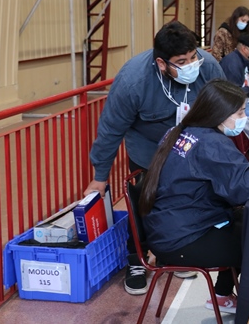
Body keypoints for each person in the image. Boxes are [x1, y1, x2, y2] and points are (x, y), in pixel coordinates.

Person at [139, 79, 249, 314]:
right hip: (183, 238)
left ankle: (222, 296)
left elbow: (233, 182)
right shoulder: (211, 144)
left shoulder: (181, 131)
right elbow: (246, 187)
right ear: (218, 113)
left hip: (168, 227)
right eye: (239, 112)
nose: (244, 117)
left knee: (247, 222)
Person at [86, 21, 226, 295]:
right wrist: (99, 178)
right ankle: (136, 259)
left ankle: (178, 251)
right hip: (147, 150)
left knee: (187, 201)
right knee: (144, 204)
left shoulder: (207, 66)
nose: (191, 64)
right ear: (162, 63)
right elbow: (110, 130)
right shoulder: (133, 81)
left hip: (191, 148)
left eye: (193, 56)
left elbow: (226, 104)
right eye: (182, 61)